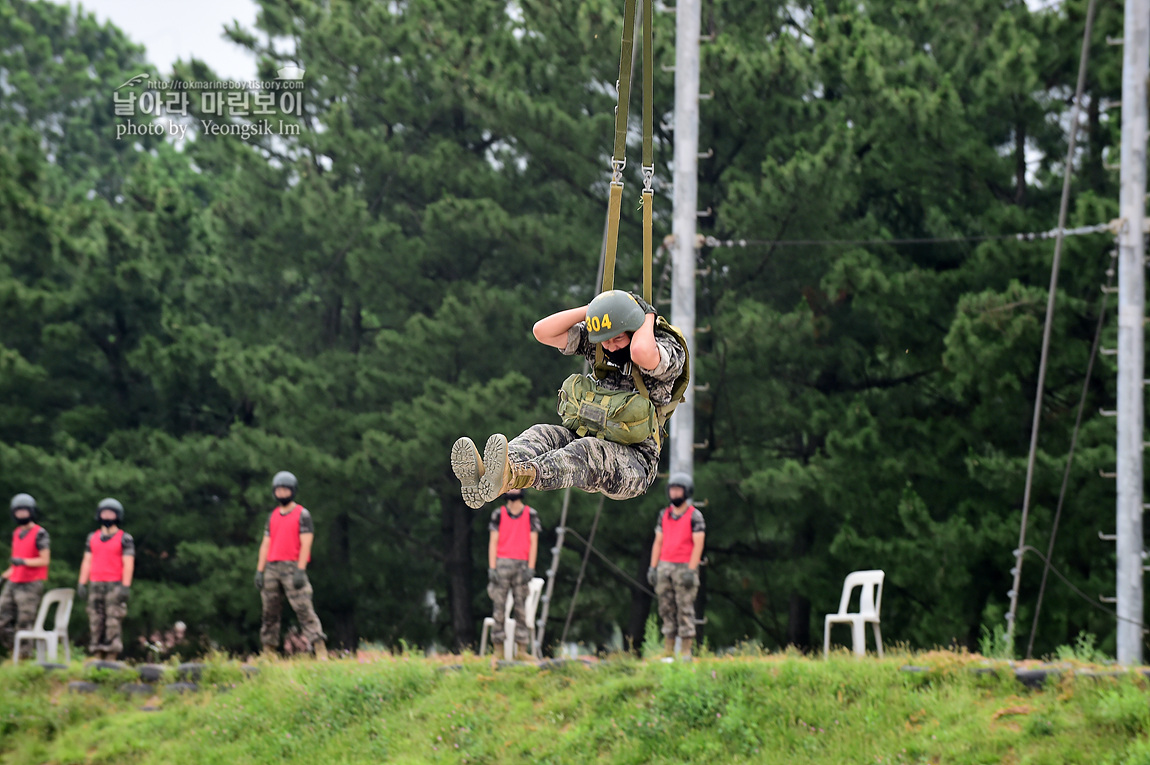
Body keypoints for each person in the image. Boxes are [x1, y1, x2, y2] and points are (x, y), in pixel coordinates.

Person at [452, 290, 689, 508]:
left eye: (618, 339)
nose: (611, 347)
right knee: (542, 434)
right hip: (589, 433)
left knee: (586, 450)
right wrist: (594, 310)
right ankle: (490, 475)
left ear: (634, 330)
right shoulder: (600, 344)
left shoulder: (665, 349)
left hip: (635, 463)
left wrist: (647, 314)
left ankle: (517, 475)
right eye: (605, 341)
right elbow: (542, 331)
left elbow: (640, 352)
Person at [254, 471, 327, 659]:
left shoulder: (302, 514)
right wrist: (260, 570)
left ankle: (319, 648)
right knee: (269, 612)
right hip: (272, 566)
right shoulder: (272, 516)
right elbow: (266, 543)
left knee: (303, 608)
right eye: (278, 490)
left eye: (285, 490)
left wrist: (301, 569)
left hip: (292, 566)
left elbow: (306, 542)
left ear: (293, 491)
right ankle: (269, 651)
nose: (282, 493)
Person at [647, 473, 705, 660]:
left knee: (684, 607)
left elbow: (699, 544)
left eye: (678, 490)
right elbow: (658, 542)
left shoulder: (695, 516)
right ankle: (669, 649)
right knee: (666, 607)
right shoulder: (664, 515)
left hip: (684, 567)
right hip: (665, 565)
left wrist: (691, 569)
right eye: (672, 489)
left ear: (686, 492)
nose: (674, 493)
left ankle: (686, 649)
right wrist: (653, 567)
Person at [76, 498, 135, 661]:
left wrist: (125, 586)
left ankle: (111, 655)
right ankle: (97, 652)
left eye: (111, 513)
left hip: (114, 584)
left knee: (113, 619)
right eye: (104, 513)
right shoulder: (92, 537)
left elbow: (128, 563)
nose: (107, 516)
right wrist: (82, 582)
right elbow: (87, 560)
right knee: (95, 619)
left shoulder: (125, 538)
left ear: (117, 516)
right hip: (95, 583)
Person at [486, 489, 541, 660]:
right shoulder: (498, 514)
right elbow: (493, 541)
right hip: (502, 563)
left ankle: (522, 649)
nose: (512, 490)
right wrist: (492, 567)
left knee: (521, 608)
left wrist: (531, 567)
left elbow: (533, 542)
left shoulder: (531, 514)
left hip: (522, 565)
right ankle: (498, 649)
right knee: (499, 608)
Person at [0, 493, 50, 658]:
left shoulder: (40, 533)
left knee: (24, 622)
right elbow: (15, 561)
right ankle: (13, 651)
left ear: (31, 512)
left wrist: (24, 562)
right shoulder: (16, 533)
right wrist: (5, 574)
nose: (21, 515)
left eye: (24, 511)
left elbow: (44, 560)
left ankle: (24, 657)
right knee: (3, 618)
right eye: (18, 511)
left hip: (30, 583)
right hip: (14, 581)